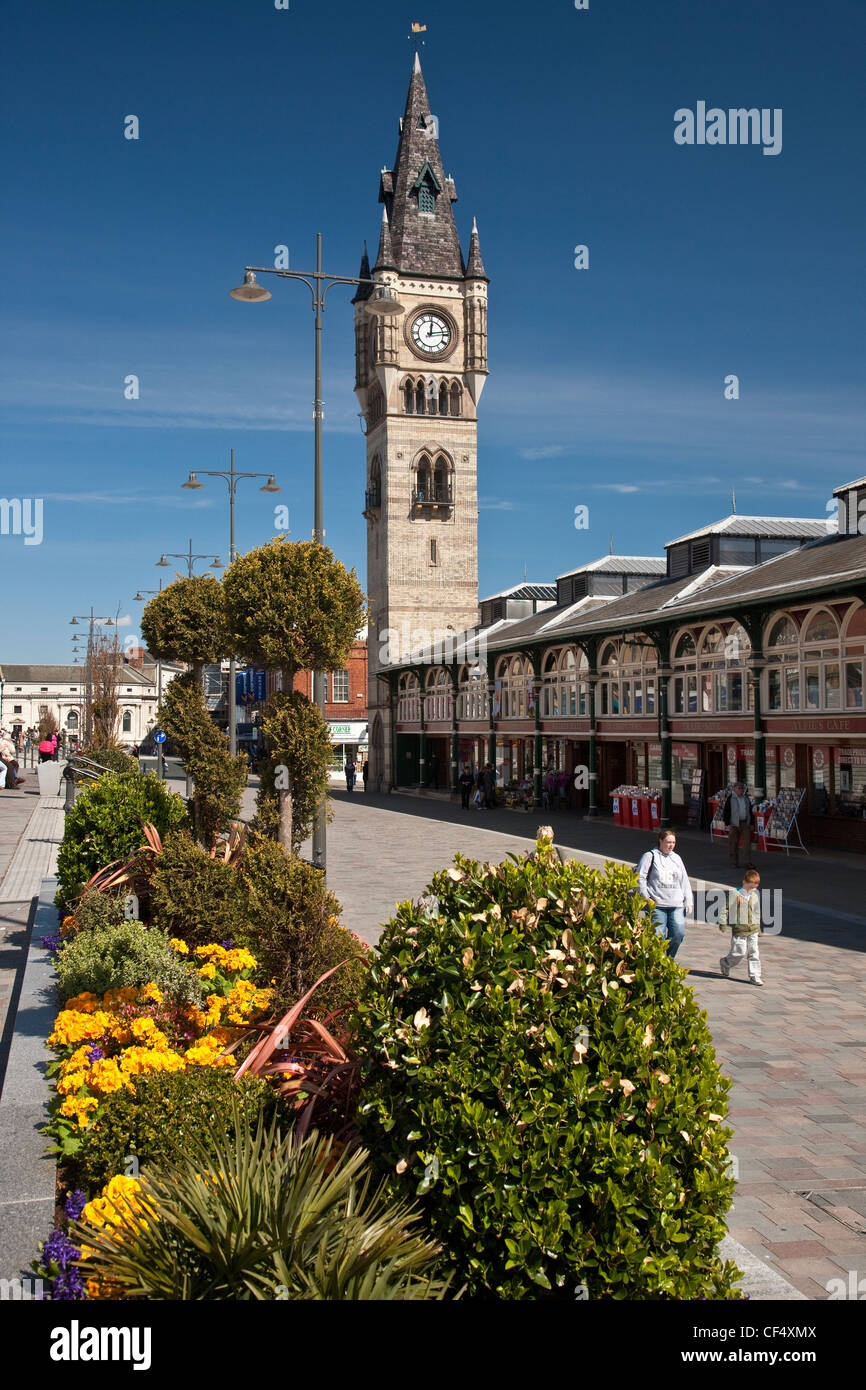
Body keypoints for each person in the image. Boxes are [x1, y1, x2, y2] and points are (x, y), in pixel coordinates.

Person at [637, 829, 694, 959]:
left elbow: (684, 880)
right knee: (658, 936)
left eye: (673, 842)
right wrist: (646, 897)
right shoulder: (650, 856)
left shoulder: (676, 858)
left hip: (676, 904)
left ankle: (668, 959)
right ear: (660, 841)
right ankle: (658, 961)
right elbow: (640, 878)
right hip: (657, 905)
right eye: (668, 842)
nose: (671, 845)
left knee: (678, 933)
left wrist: (688, 900)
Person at [719, 868, 763, 986]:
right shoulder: (735, 894)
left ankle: (755, 975)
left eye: (754, 888)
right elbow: (725, 908)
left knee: (754, 951)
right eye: (750, 887)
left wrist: (758, 927)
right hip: (740, 929)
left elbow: (757, 912)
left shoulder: (754, 896)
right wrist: (722, 922)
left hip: (752, 929)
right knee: (739, 952)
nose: (752, 890)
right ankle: (726, 962)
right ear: (744, 882)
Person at [722, 781, 753, 868]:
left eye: (742, 788)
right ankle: (734, 862)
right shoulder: (730, 799)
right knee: (733, 843)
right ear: (734, 789)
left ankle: (747, 862)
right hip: (734, 823)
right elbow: (726, 811)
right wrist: (728, 823)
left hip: (744, 822)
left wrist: (751, 823)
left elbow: (749, 811)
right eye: (739, 788)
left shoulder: (746, 798)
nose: (741, 790)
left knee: (746, 843)